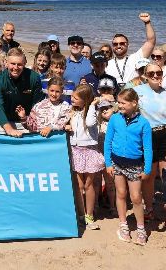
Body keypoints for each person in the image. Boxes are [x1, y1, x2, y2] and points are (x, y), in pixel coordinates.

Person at [135, 62, 166, 221]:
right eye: (151, 73)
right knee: (149, 175)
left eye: (158, 73)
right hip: (147, 135)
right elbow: (125, 109)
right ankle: (149, 207)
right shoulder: (137, 92)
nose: (155, 76)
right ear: (145, 76)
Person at [104, 88, 152, 246]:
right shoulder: (114, 119)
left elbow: (148, 148)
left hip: (135, 165)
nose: (120, 105)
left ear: (134, 103)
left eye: (123, 103)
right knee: (121, 193)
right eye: (119, 102)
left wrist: (147, 169)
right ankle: (123, 225)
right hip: (117, 163)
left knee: (136, 197)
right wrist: (108, 163)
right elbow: (107, 142)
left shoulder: (144, 123)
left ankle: (140, 229)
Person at [65, 84, 104, 230]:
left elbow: (89, 123)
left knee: (89, 185)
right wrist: (66, 126)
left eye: (76, 98)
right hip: (75, 150)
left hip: (89, 150)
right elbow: (65, 124)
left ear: (85, 100)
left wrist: (92, 105)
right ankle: (80, 215)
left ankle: (89, 215)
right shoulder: (72, 112)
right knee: (79, 185)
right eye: (73, 96)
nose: (72, 99)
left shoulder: (91, 112)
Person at [0, 48, 44, 136]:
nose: (15, 68)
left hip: (26, 119)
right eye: (13, 64)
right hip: (3, 119)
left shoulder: (34, 78)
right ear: (6, 63)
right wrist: (9, 130)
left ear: (24, 63)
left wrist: (26, 120)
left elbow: (37, 105)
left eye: (19, 64)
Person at [106, 13, 156, 85]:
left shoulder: (136, 58)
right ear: (112, 46)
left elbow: (151, 41)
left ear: (128, 45)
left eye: (122, 43)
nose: (118, 46)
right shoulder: (107, 64)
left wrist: (147, 22)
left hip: (133, 94)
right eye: (115, 44)